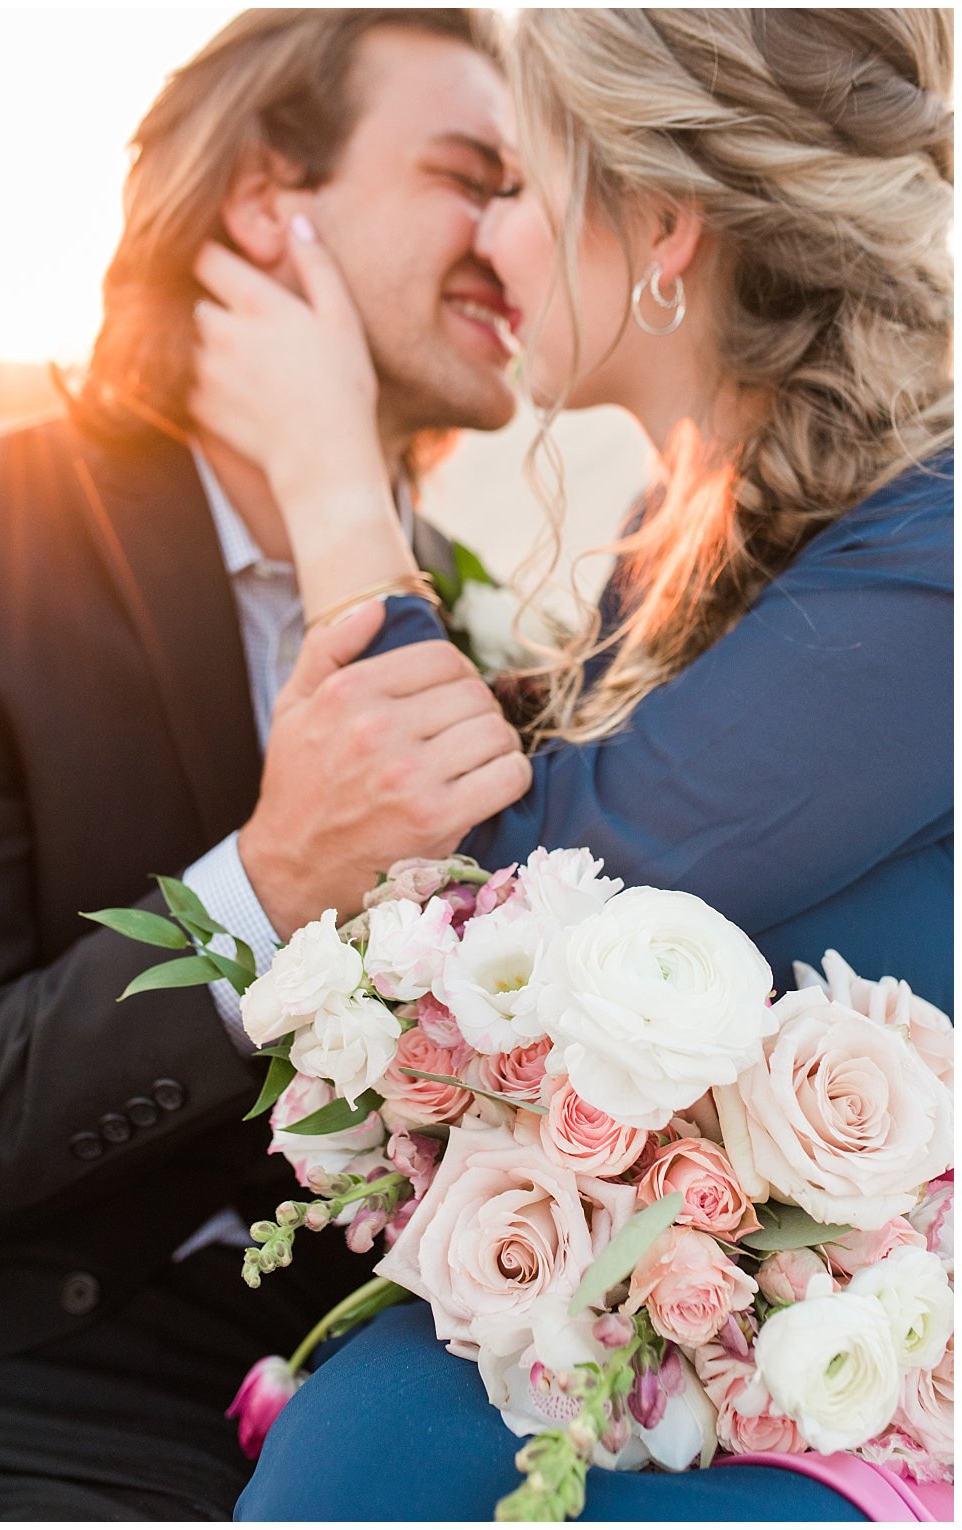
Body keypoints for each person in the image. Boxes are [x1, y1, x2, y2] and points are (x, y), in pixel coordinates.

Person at [188, 8, 952, 1519]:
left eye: (520, 188)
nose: (494, 245)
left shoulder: (936, 557)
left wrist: (334, 477)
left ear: (662, 226)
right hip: (671, 1294)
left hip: (880, 1368)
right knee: (351, 1461)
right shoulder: (672, 556)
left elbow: (532, 897)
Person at [0, 11, 538, 1518]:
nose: (520, 236)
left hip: (393, 1400)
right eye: (472, 174)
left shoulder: (479, 619)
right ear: (272, 198)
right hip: (34, 1393)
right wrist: (263, 892)